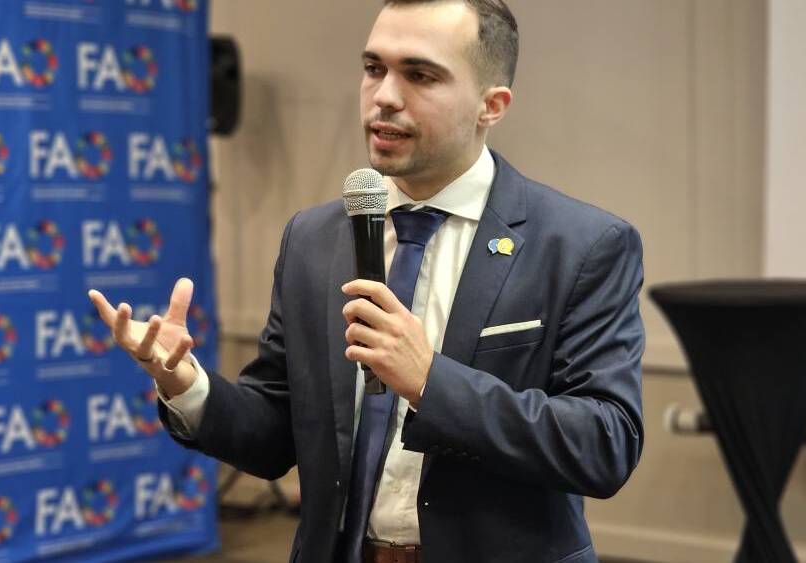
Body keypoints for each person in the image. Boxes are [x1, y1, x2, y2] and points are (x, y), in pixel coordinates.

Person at [88, 1, 645, 562]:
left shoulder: (580, 245)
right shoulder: (312, 239)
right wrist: (187, 385)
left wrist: (429, 382)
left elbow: (605, 444)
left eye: (420, 75)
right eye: (374, 68)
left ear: (491, 105)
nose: (385, 96)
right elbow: (277, 432)